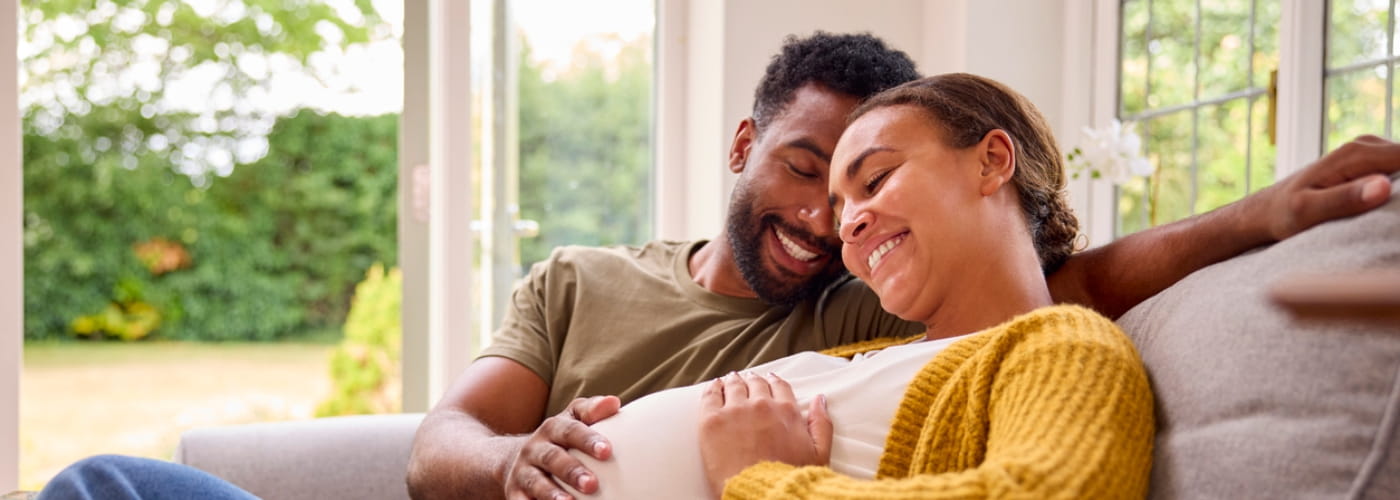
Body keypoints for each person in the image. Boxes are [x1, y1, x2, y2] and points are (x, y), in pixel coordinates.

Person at [36, 32, 1398, 500]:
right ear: (745, 146)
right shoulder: (587, 280)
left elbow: (1054, 300)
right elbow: (440, 440)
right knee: (111, 483)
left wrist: (1258, 217)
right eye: (816, 171)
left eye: (875, 183)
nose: (836, 220)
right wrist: (511, 463)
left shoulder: (878, 318)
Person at [554, 72, 1153, 500]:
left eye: (878, 178)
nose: (846, 225)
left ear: (992, 160)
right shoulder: (882, 352)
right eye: (844, 209)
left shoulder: (1061, 348)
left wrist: (761, 480)